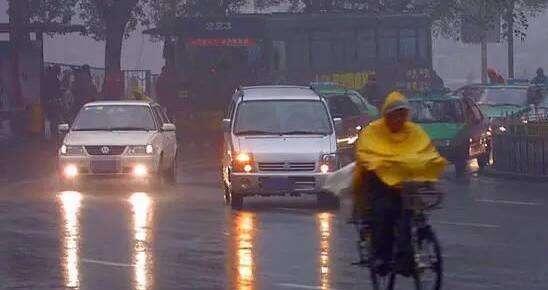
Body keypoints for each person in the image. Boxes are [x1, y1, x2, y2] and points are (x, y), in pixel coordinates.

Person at [352, 91, 447, 276]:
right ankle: (382, 257)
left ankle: (406, 257)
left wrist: (428, 166)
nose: (399, 118)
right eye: (395, 114)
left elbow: (425, 151)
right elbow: (367, 154)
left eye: (403, 114)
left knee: (408, 216)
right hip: (380, 185)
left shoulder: (414, 131)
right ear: (387, 115)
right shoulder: (373, 131)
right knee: (384, 214)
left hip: (407, 186)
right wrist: (383, 166)